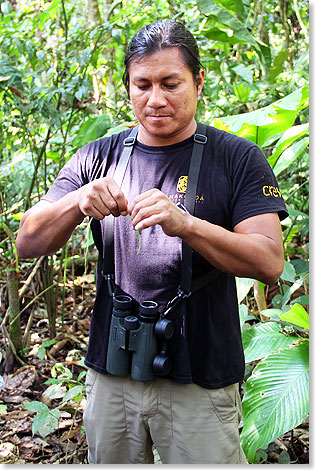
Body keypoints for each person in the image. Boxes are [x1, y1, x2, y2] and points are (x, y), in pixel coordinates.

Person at [16, 20, 288, 464]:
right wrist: (77, 202)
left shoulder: (237, 158)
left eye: (170, 83)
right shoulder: (98, 156)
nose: (155, 99)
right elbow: (27, 241)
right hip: (113, 371)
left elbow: (269, 260)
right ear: (127, 87)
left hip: (200, 376)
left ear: (198, 82)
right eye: (142, 84)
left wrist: (187, 225)